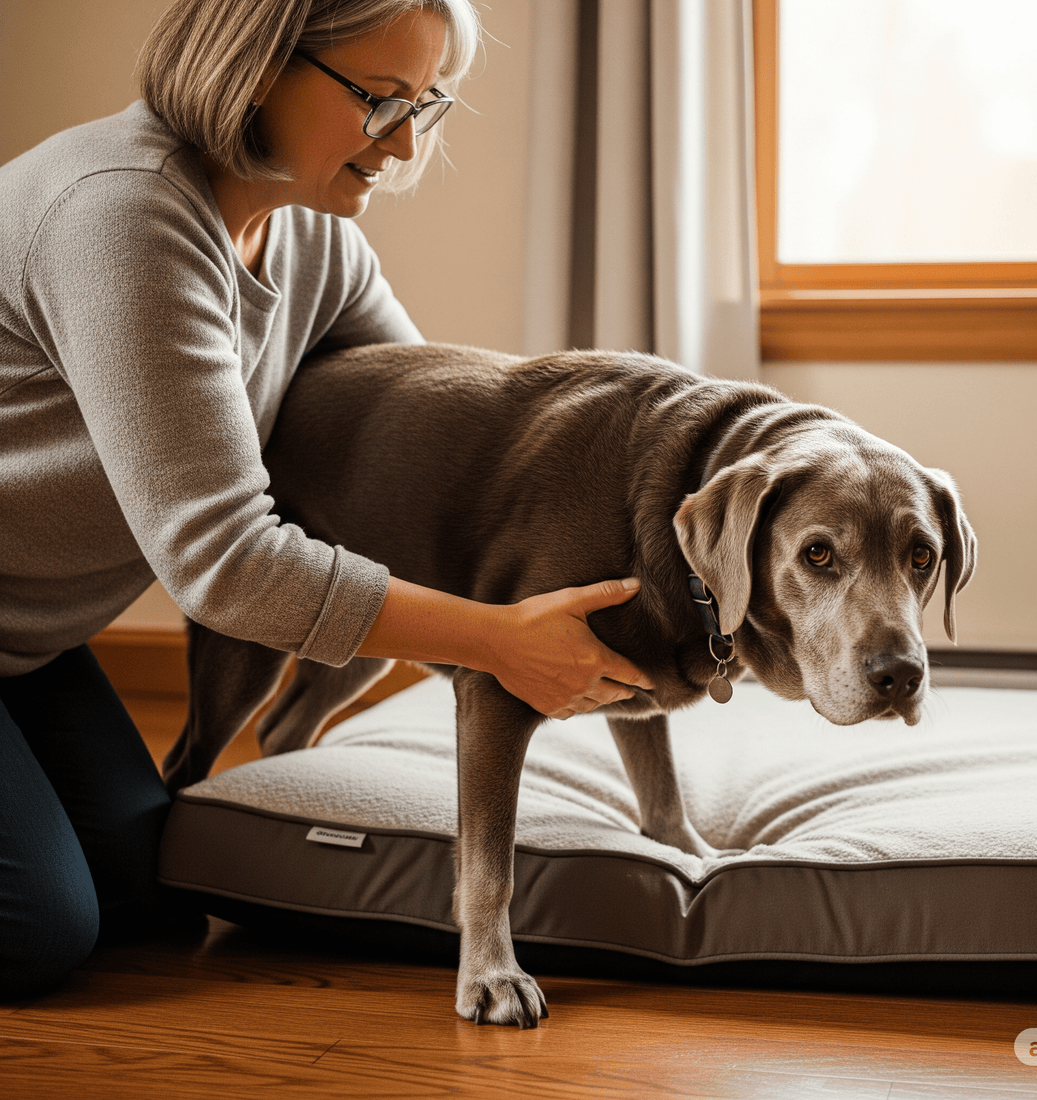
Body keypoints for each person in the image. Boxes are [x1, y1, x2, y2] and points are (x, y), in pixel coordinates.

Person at [0, 0, 652, 999]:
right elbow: (225, 560)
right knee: (34, 931)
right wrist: (497, 636)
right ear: (257, 66)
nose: (400, 143)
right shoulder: (124, 214)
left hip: (26, 637)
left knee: (154, 887)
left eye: (423, 105)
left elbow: (444, 447)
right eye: (379, 101)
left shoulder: (312, 248)